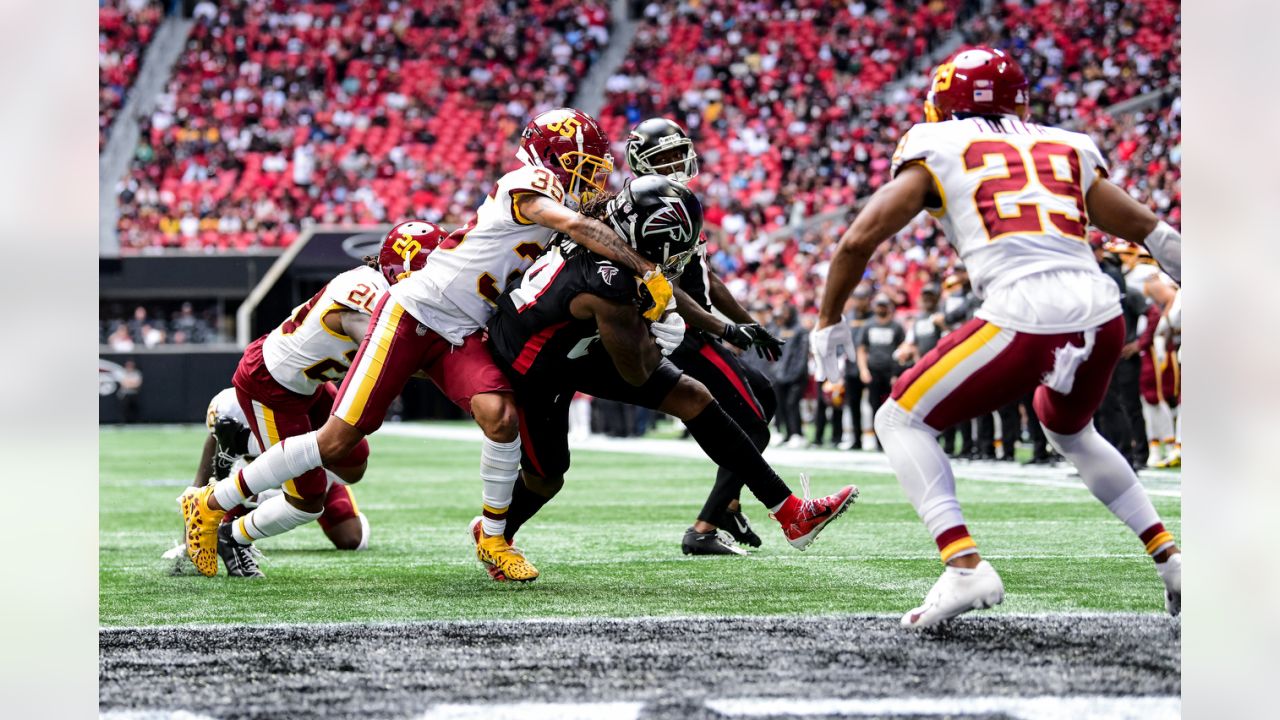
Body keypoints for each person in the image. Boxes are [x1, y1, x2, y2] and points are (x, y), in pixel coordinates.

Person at [183, 109, 677, 584]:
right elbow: (575, 226)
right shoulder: (526, 185)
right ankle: (212, 503)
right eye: (585, 169)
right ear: (554, 159)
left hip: (459, 331)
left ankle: (496, 538)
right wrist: (646, 269)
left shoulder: (556, 206)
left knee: (500, 416)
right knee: (338, 442)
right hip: (415, 312)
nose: (591, 183)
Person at [812, 47, 1182, 628]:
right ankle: (1172, 559)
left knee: (899, 419)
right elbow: (1149, 229)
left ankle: (963, 565)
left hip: (1027, 311)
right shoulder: (1069, 144)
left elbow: (858, 241)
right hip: (1101, 311)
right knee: (1069, 428)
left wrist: (827, 323)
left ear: (946, 100)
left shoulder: (935, 144)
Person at [482, 176, 857, 576]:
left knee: (692, 396)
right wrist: (660, 338)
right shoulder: (608, 287)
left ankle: (790, 513)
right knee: (547, 479)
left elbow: (655, 282)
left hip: (568, 344)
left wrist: (720, 328)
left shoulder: (609, 234)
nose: (680, 253)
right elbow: (638, 371)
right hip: (533, 367)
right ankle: (495, 536)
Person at [181, 222, 438, 577]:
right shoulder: (363, 294)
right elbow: (388, 353)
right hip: (272, 384)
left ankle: (249, 449)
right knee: (307, 502)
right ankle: (231, 533)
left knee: (353, 460)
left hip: (308, 384)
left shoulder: (383, 288)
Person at [627, 117, 786, 552]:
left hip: (700, 327)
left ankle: (728, 504)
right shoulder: (646, 208)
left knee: (764, 397)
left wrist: (747, 323)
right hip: (681, 332)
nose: (677, 164)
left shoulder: (677, 201)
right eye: (664, 158)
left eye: (680, 154)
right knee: (753, 428)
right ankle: (704, 528)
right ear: (641, 163)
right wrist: (724, 327)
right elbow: (663, 282)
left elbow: (705, 277)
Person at [167, 387, 370, 577]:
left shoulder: (292, 409)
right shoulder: (227, 410)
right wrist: (189, 541)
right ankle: (235, 532)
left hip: (312, 473)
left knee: (351, 538)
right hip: (246, 482)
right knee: (214, 530)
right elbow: (201, 482)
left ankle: (246, 450)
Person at [856, 294, 905, 449]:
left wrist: (897, 373)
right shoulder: (868, 325)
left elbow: (903, 349)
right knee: (874, 406)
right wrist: (863, 370)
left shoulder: (896, 326)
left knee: (893, 408)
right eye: (879, 305)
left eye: (884, 305)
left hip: (891, 372)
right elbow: (862, 349)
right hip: (874, 371)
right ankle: (878, 441)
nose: (881, 308)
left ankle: (893, 439)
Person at [771, 304, 810, 448]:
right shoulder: (778, 329)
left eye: (785, 313)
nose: (782, 316)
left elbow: (802, 355)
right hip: (780, 375)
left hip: (796, 376)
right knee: (781, 405)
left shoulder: (800, 330)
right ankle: (787, 434)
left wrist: (795, 374)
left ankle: (797, 434)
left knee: (792, 404)